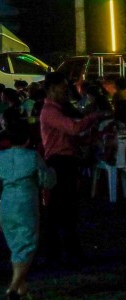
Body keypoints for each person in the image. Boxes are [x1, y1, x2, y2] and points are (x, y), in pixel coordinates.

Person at [0, 120, 56, 300]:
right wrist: (52, 173)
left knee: (16, 245)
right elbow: (47, 180)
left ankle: (21, 287)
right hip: (26, 203)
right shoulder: (32, 157)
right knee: (27, 245)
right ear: (27, 139)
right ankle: (13, 287)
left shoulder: (0, 157)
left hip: (7, 203)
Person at [40, 72, 105, 267]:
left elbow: (73, 136)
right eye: (62, 87)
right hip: (59, 162)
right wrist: (94, 117)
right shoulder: (50, 111)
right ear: (51, 89)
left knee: (62, 210)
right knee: (61, 210)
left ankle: (61, 253)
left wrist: (94, 135)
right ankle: (62, 253)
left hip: (65, 161)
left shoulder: (57, 110)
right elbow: (73, 129)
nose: (66, 91)